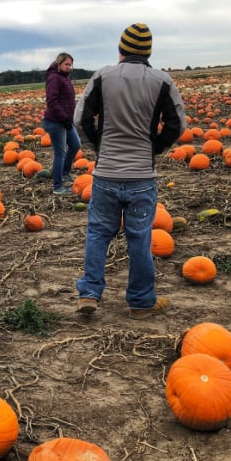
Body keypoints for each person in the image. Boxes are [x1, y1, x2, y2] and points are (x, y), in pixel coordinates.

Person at [73, 23, 187, 318]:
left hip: (106, 174)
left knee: (98, 234)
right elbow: (177, 125)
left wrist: (100, 148)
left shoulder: (102, 76)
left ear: (121, 49)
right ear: (148, 51)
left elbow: (81, 118)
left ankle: (89, 294)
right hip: (141, 177)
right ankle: (140, 302)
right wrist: (154, 149)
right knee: (140, 238)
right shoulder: (161, 81)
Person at [42, 52, 81, 195]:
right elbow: (52, 101)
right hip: (56, 121)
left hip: (65, 121)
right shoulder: (54, 78)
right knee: (60, 153)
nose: (69, 67)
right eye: (66, 64)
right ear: (59, 64)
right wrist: (64, 118)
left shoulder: (64, 77)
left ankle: (64, 173)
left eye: (70, 65)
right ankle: (58, 187)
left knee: (76, 145)